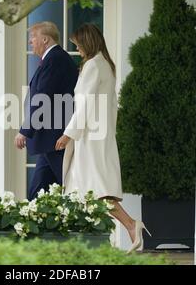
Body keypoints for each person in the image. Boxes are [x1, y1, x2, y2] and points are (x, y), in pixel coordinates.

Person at [55, 23, 151, 254]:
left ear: (87, 42)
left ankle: (126, 226)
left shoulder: (94, 66)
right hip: (99, 135)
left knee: (93, 190)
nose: (77, 50)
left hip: (91, 138)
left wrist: (68, 134)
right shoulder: (105, 65)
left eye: (78, 45)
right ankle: (123, 228)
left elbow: (85, 105)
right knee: (86, 190)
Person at [14, 21, 78, 201]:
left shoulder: (55, 60)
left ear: (45, 40)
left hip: (55, 140)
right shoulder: (53, 59)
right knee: (37, 193)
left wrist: (25, 131)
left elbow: (42, 98)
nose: (30, 42)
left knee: (73, 192)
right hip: (50, 141)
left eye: (33, 37)